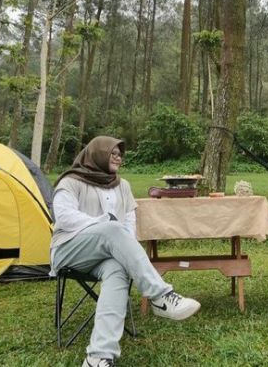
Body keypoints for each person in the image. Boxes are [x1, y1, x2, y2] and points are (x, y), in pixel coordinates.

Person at [51, 136, 201, 367]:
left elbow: (129, 224)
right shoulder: (72, 181)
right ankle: (160, 296)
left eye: (120, 154)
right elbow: (64, 217)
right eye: (113, 152)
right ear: (97, 153)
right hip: (70, 249)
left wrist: (123, 246)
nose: (118, 157)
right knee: (112, 228)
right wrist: (104, 223)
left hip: (105, 256)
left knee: (118, 268)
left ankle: (99, 356)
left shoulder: (122, 186)